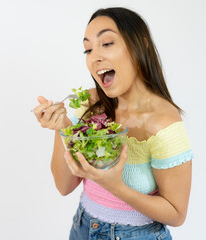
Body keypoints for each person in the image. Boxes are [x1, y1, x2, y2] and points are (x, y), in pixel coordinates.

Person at [33, 7, 193, 240]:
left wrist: (115, 186)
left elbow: (177, 214)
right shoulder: (88, 104)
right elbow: (64, 186)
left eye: (107, 43)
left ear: (141, 46)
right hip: (82, 227)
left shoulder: (164, 125)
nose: (94, 57)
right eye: (88, 49)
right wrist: (63, 129)